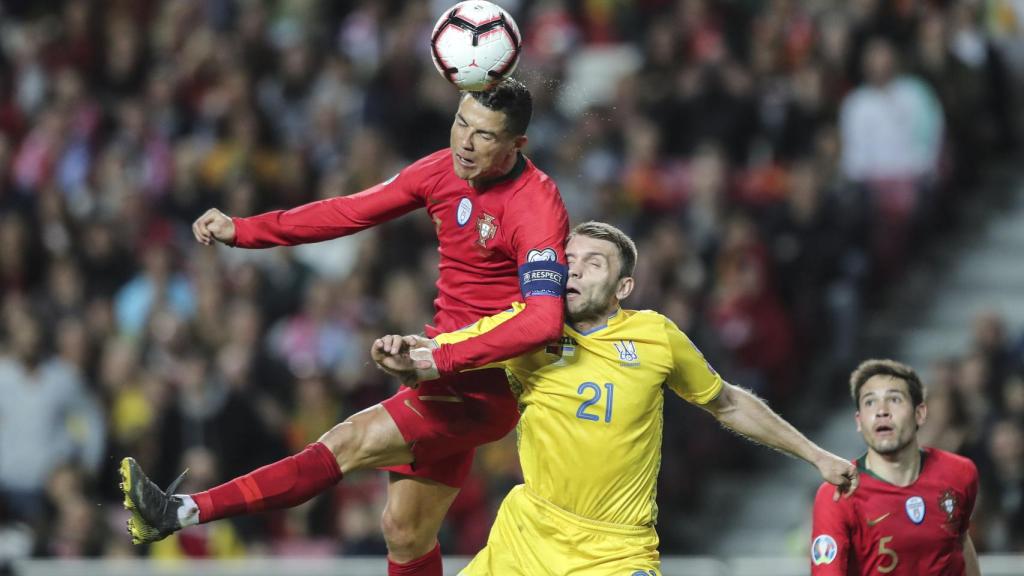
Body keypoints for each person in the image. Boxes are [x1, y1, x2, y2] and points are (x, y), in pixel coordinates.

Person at [119, 78, 570, 576]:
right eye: (461, 122)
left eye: (484, 135)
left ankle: (178, 510)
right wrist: (244, 230)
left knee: (345, 444)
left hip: (485, 385)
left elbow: (544, 320)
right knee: (406, 533)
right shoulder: (444, 169)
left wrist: (434, 357)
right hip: (442, 369)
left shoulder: (536, 205)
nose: (464, 141)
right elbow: (349, 211)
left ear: (516, 144)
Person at [373, 221, 859, 575]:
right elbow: (446, 349)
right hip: (529, 537)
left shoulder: (656, 336)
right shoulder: (522, 329)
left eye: (593, 262)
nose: (575, 270)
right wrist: (404, 352)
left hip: (616, 551)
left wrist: (816, 455)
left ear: (623, 286)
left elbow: (727, 402)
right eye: (570, 259)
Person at [810, 359, 980, 575]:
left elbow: (961, 541)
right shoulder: (838, 494)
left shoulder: (960, 473)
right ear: (859, 421)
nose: (882, 411)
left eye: (894, 399)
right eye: (870, 402)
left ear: (920, 414)